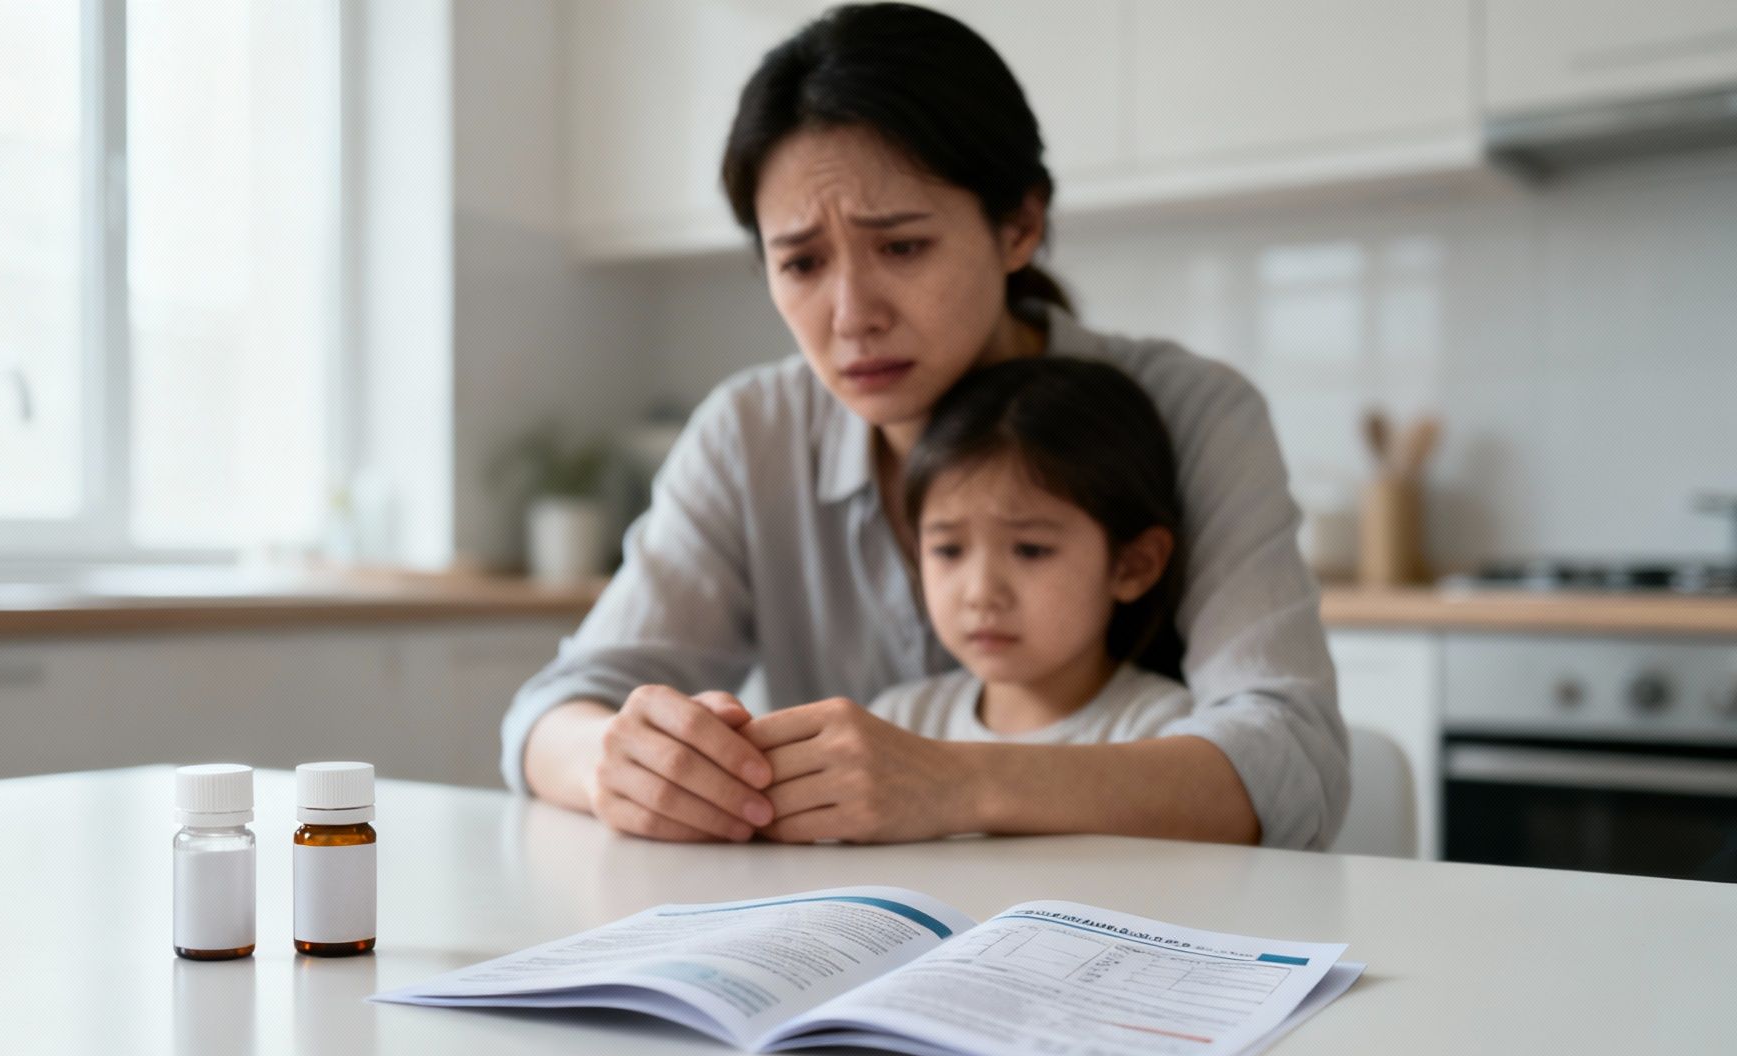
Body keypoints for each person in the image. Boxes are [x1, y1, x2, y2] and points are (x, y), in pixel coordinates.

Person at [500, 2, 1348, 847]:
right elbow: (553, 712)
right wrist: (615, 762)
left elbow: (1292, 761)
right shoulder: (749, 434)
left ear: (1020, 225)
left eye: (901, 247)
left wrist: (957, 780)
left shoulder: (1191, 411)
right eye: (801, 263)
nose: (852, 317)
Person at [868, 356, 1193, 751]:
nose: (981, 593)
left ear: (1132, 565)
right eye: (949, 549)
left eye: (1030, 549)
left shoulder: (1169, 737)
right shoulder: (896, 725)